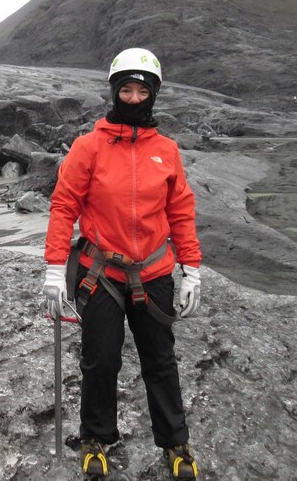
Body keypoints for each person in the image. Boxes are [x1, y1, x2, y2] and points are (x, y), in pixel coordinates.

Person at [42, 48, 202, 480]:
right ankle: (95, 439)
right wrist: (55, 269)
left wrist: (191, 269)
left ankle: (175, 445)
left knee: (160, 362)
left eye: (142, 90)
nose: (133, 98)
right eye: (126, 89)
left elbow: (180, 211)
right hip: (101, 275)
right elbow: (63, 207)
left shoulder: (166, 151)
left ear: (153, 95)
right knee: (100, 360)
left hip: (152, 274)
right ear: (114, 92)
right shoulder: (88, 147)